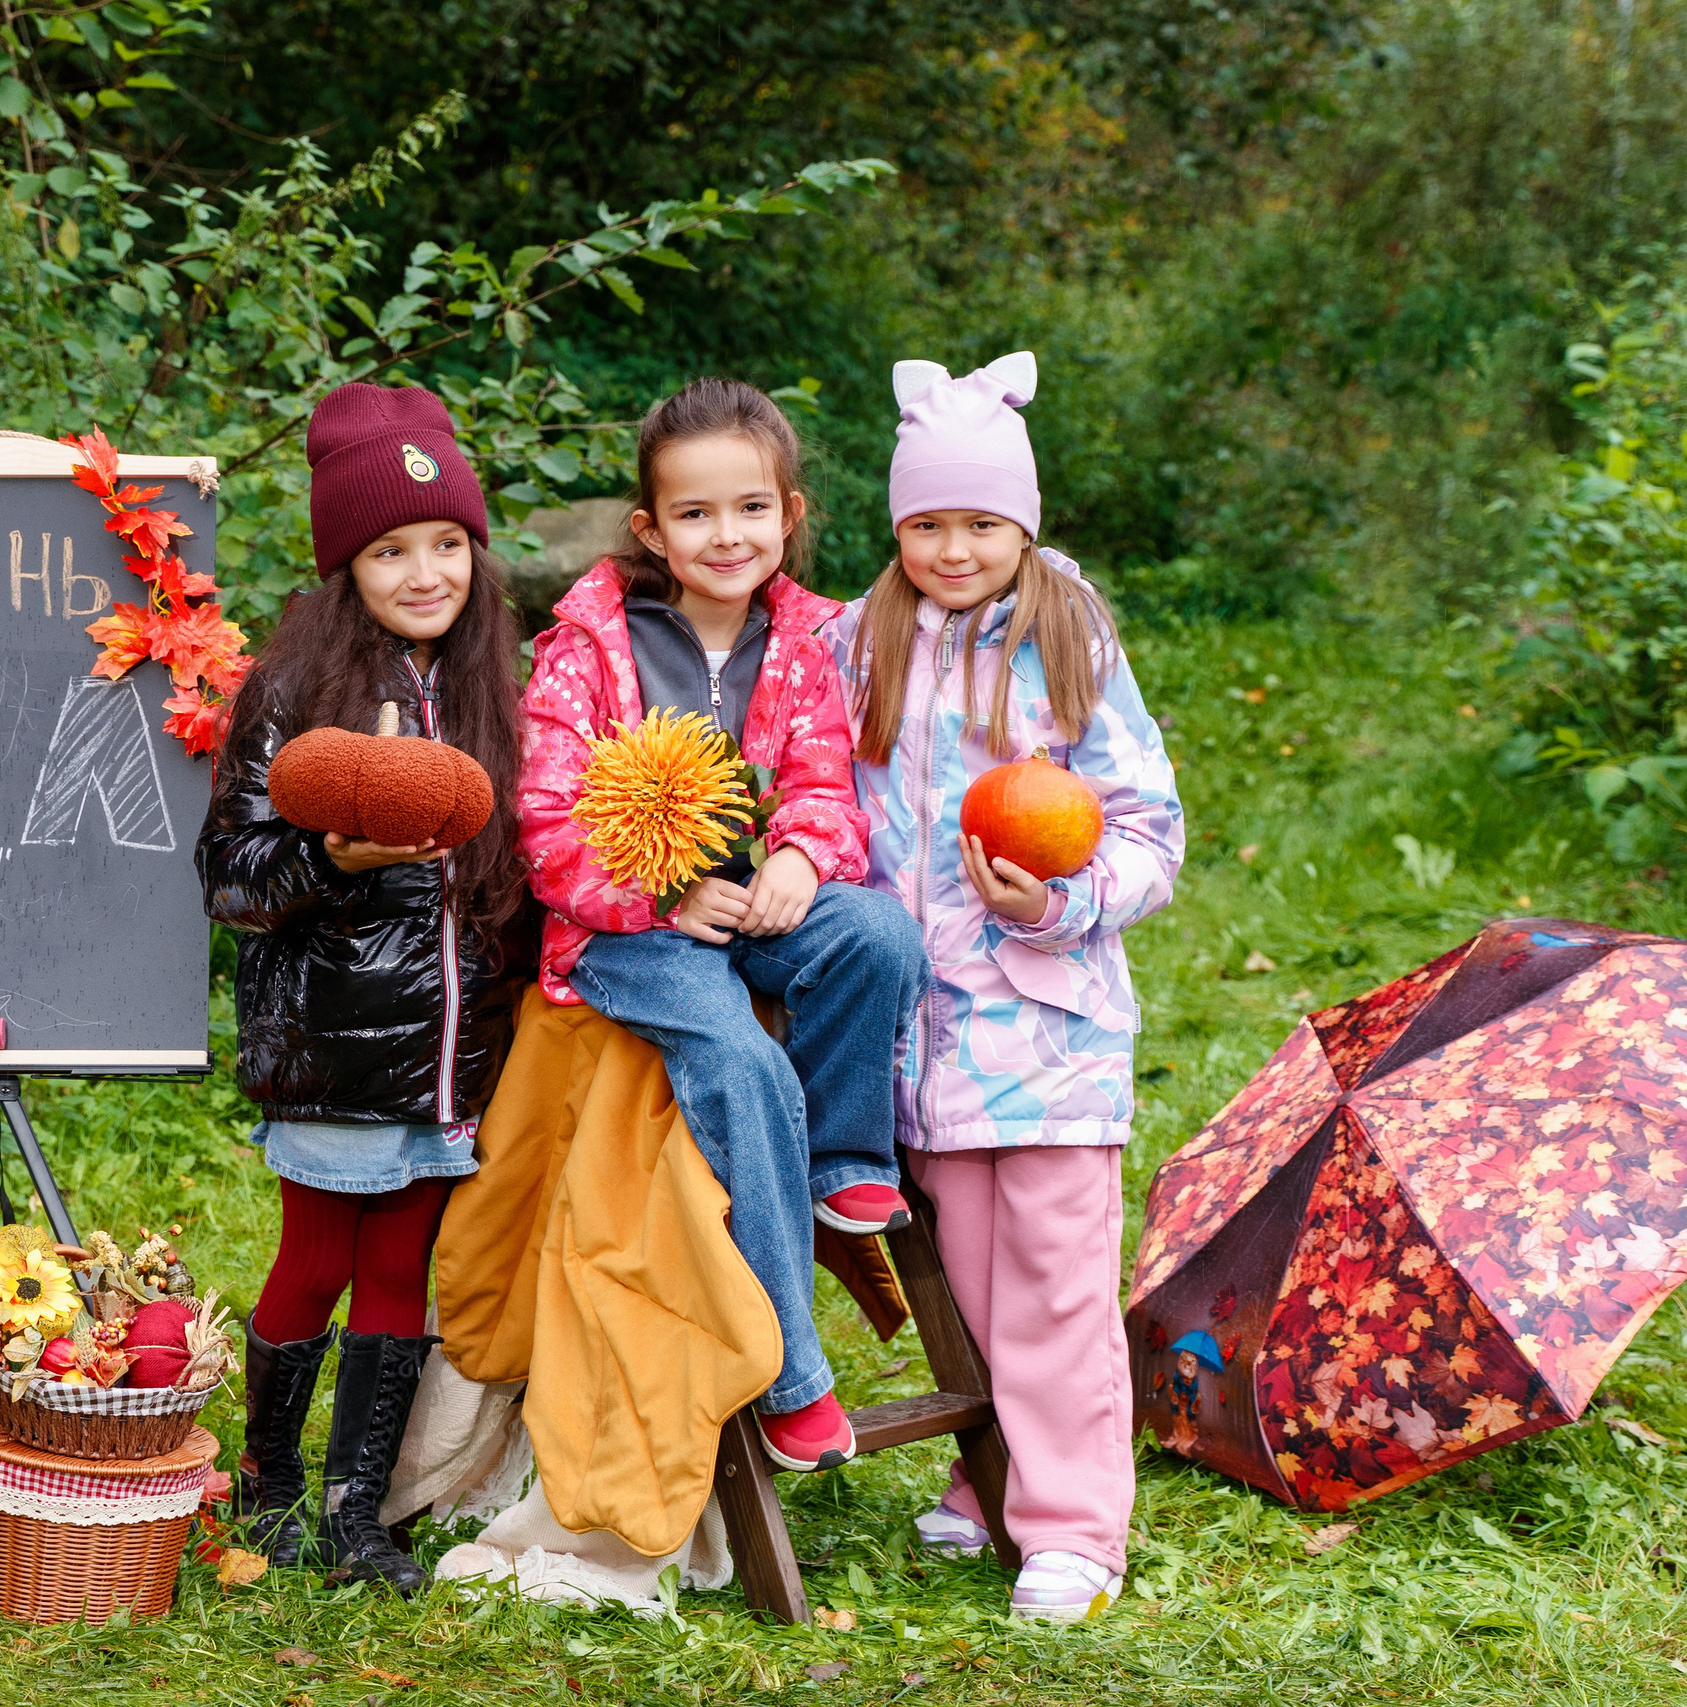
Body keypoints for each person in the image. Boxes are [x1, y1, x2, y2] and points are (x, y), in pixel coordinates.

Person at [517, 377, 927, 1475]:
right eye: (694, 514)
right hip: (628, 934)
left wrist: (801, 853)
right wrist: (658, 898)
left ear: (789, 514)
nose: (725, 534)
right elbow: (547, 831)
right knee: (741, 1063)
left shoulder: (808, 641)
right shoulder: (587, 648)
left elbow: (823, 782)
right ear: (650, 528)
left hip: (757, 907)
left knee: (877, 938)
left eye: (750, 508)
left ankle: (844, 1158)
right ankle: (793, 1373)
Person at [832, 352, 1184, 1624]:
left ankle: (1075, 1527)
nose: (953, 546)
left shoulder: (1064, 639)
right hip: (920, 1036)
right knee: (966, 1281)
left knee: (1051, 1278)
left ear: (1021, 523)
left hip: (1044, 1024)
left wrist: (1062, 904)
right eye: (927, 522)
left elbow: (1148, 827)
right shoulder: (853, 637)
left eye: (981, 522)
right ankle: (987, 1482)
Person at [198, 382, 525, 1596]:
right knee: (313, 1263)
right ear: (348, 566)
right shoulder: (294, 697)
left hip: (455, 1053)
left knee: (402, 1273)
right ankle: (269, 1484)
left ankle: (357, 1512)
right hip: (334, 1042)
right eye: (391, 550)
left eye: (446, 543)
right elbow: (229, 878)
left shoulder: (506, 686)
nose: (425, 571)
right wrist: (331, 859)